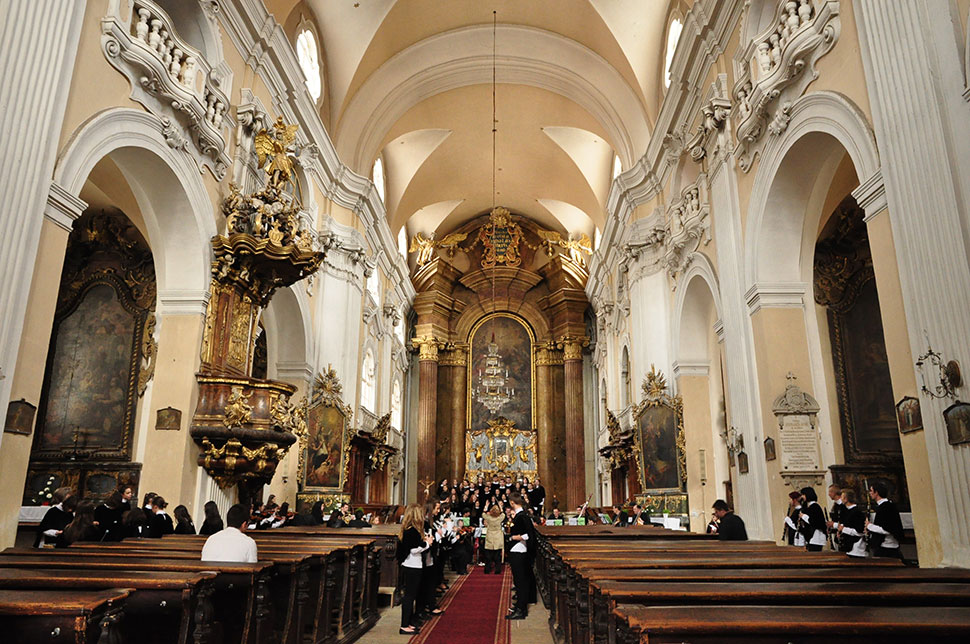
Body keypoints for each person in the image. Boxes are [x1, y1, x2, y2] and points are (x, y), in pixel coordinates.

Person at [397, 504, 431, 636]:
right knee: (409, 597)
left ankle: (408, 623)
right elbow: (413, 549)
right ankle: (404, 625)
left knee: (412, 595)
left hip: (412, 565)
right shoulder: (411, 531)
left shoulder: (409, 529)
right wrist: (428, 544)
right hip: (412, 566)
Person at [505, 492, 536, 620]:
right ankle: (520, 606)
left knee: (520, 581)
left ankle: (521, 610)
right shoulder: (520, 516)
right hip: (518, 550)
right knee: (520, 581)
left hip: (519, 551)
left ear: (512, 503)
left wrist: (512, 537)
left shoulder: (521, 517)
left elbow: (528, 535)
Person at [866, 481, 903, 559]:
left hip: (887, 547)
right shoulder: (885, 506)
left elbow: (887, 529)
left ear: (877, 493)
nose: (870, 493)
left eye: (871, 491)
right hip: (885, 546)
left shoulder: (886, 507)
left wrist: (869, 526)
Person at [837, 489, 867, 557]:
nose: (841, 499)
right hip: (848, 548)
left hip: (856, 549)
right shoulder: (846, 510)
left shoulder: (857, 512)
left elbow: (860, 532)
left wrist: (843, 529)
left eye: (842, 497)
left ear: (846, 499)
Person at [797, 487, 827, 552]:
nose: (802, 497)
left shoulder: (815, 507)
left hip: (816, 538)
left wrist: (803, 516)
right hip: (811, 538)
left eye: (803, 495)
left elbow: (815, 522)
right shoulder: (808, 507)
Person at [482, 503, 505, 574]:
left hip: (490, 536)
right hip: (498, 537)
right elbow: (503, 513)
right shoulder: (500, 517)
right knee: (497, 555)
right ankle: (497, 570)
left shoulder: (488, 517)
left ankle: (487, 570)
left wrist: (485, 506)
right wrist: (501, 508)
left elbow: (483, 514)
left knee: (488, 555)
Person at [826, 484, 844, 549]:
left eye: (830, 492)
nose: (829, 494)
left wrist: (833, 524)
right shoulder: (835, 505)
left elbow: (843, 521)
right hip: (837, 534)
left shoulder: (843, 505)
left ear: (835, 493)